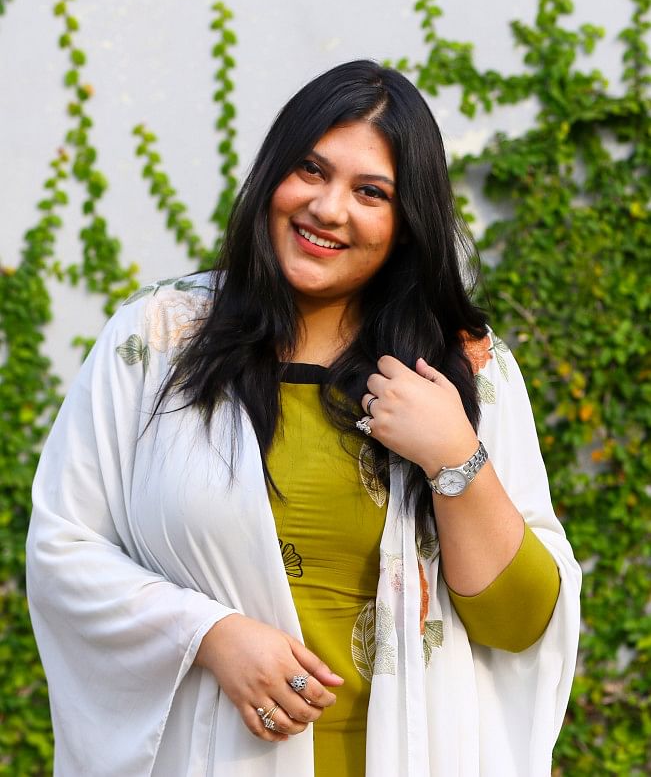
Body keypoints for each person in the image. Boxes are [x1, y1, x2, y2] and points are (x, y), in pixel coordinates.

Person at [26, 60, 581, 777]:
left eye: (371, 192)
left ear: (407, 223)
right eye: (310, 170)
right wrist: (209, 634)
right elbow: (64, 547)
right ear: (272, 176)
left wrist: (454, 457)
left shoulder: (463, 368)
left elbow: (519, 625)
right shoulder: (159, 339)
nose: (327, 207)